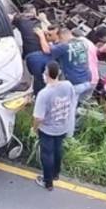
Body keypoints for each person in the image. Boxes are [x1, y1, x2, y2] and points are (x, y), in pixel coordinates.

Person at [33, 60, 77, 191]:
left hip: (47, 129)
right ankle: (56, 174)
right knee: (58, 150)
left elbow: (38, 117)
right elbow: (72, 102)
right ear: (59, 73)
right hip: (62, 126)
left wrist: (34, 128)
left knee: (47, 155)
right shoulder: (68, 85)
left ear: (46, 74)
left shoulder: (44, 94)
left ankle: (48, 182)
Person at [14, 5, 51, 94]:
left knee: (37, 78)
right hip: (46, 54)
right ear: (34, 12)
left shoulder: (21, 21)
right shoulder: (40, 22)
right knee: (45, 76)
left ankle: (38, 95)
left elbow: (8, 17)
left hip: (32, 55)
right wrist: (44, 20)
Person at [48, 28, 93, 101]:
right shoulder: (83, 43)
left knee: (67, 108)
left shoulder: (64, 46)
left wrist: (41, 36)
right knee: (78, 105)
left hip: (74, 84)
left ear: (61, 37)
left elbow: (48, 50)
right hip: (87, 81)